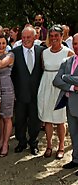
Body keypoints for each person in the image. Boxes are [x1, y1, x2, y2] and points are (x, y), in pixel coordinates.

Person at [38, 25, 74, 159]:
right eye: (51, 36)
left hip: (60, 88)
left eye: (56, 36)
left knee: (60, 119)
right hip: (46, 86)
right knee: (47, 119)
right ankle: (48, 146)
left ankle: (61, 147)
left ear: (62, 36)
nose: (53, 38)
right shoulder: (45, 52)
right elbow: (43, 68)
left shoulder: (68, 52)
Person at [11, 26, 44, 155]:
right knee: (20, 120)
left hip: (36, 94)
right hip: (20, 94)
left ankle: (33, 143)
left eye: (28, 37)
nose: (25, 40)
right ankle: (21, 142)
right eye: (23, 37)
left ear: (35, 37)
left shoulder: (41, 51)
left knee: (35, 120)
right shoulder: (15, 52)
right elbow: (12, 74)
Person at [53, 33, 78, 170]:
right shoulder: (67, 61)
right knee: (74, 134)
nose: (76, 46)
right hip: (69, 104)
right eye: (74, 43)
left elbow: (62, 78)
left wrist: (65, 77)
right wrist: (72, 86)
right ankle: (76, 159)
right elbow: (56, 80)